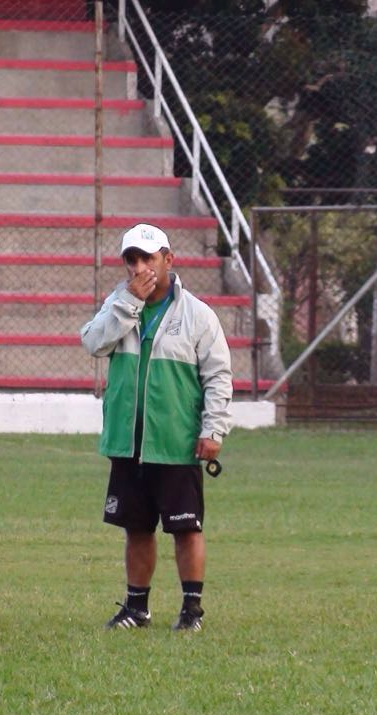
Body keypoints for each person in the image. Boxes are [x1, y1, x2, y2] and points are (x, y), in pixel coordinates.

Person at [80, 222, 233, 632]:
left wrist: (213, 430)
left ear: (169, 259)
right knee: (136, 527)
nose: (139, 267)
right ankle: (136, 609)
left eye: (148, 258)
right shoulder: (118, 302)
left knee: (186, 528)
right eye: (132, 259)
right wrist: (128, 302)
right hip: (128, 442)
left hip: (176, 441)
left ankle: (191, 610)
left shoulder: (198, 314)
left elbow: (218, 376)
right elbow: (94, 343)